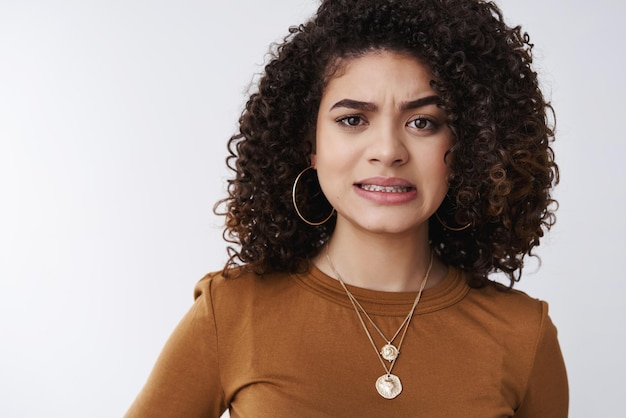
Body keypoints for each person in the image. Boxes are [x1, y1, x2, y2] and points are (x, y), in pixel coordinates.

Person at [125, 0, 568, 416]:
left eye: (423, 122)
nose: (388, 150)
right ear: (310, 144)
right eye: (353, 120)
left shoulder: (523, 336)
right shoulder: (232, 312)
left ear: (470, 147)